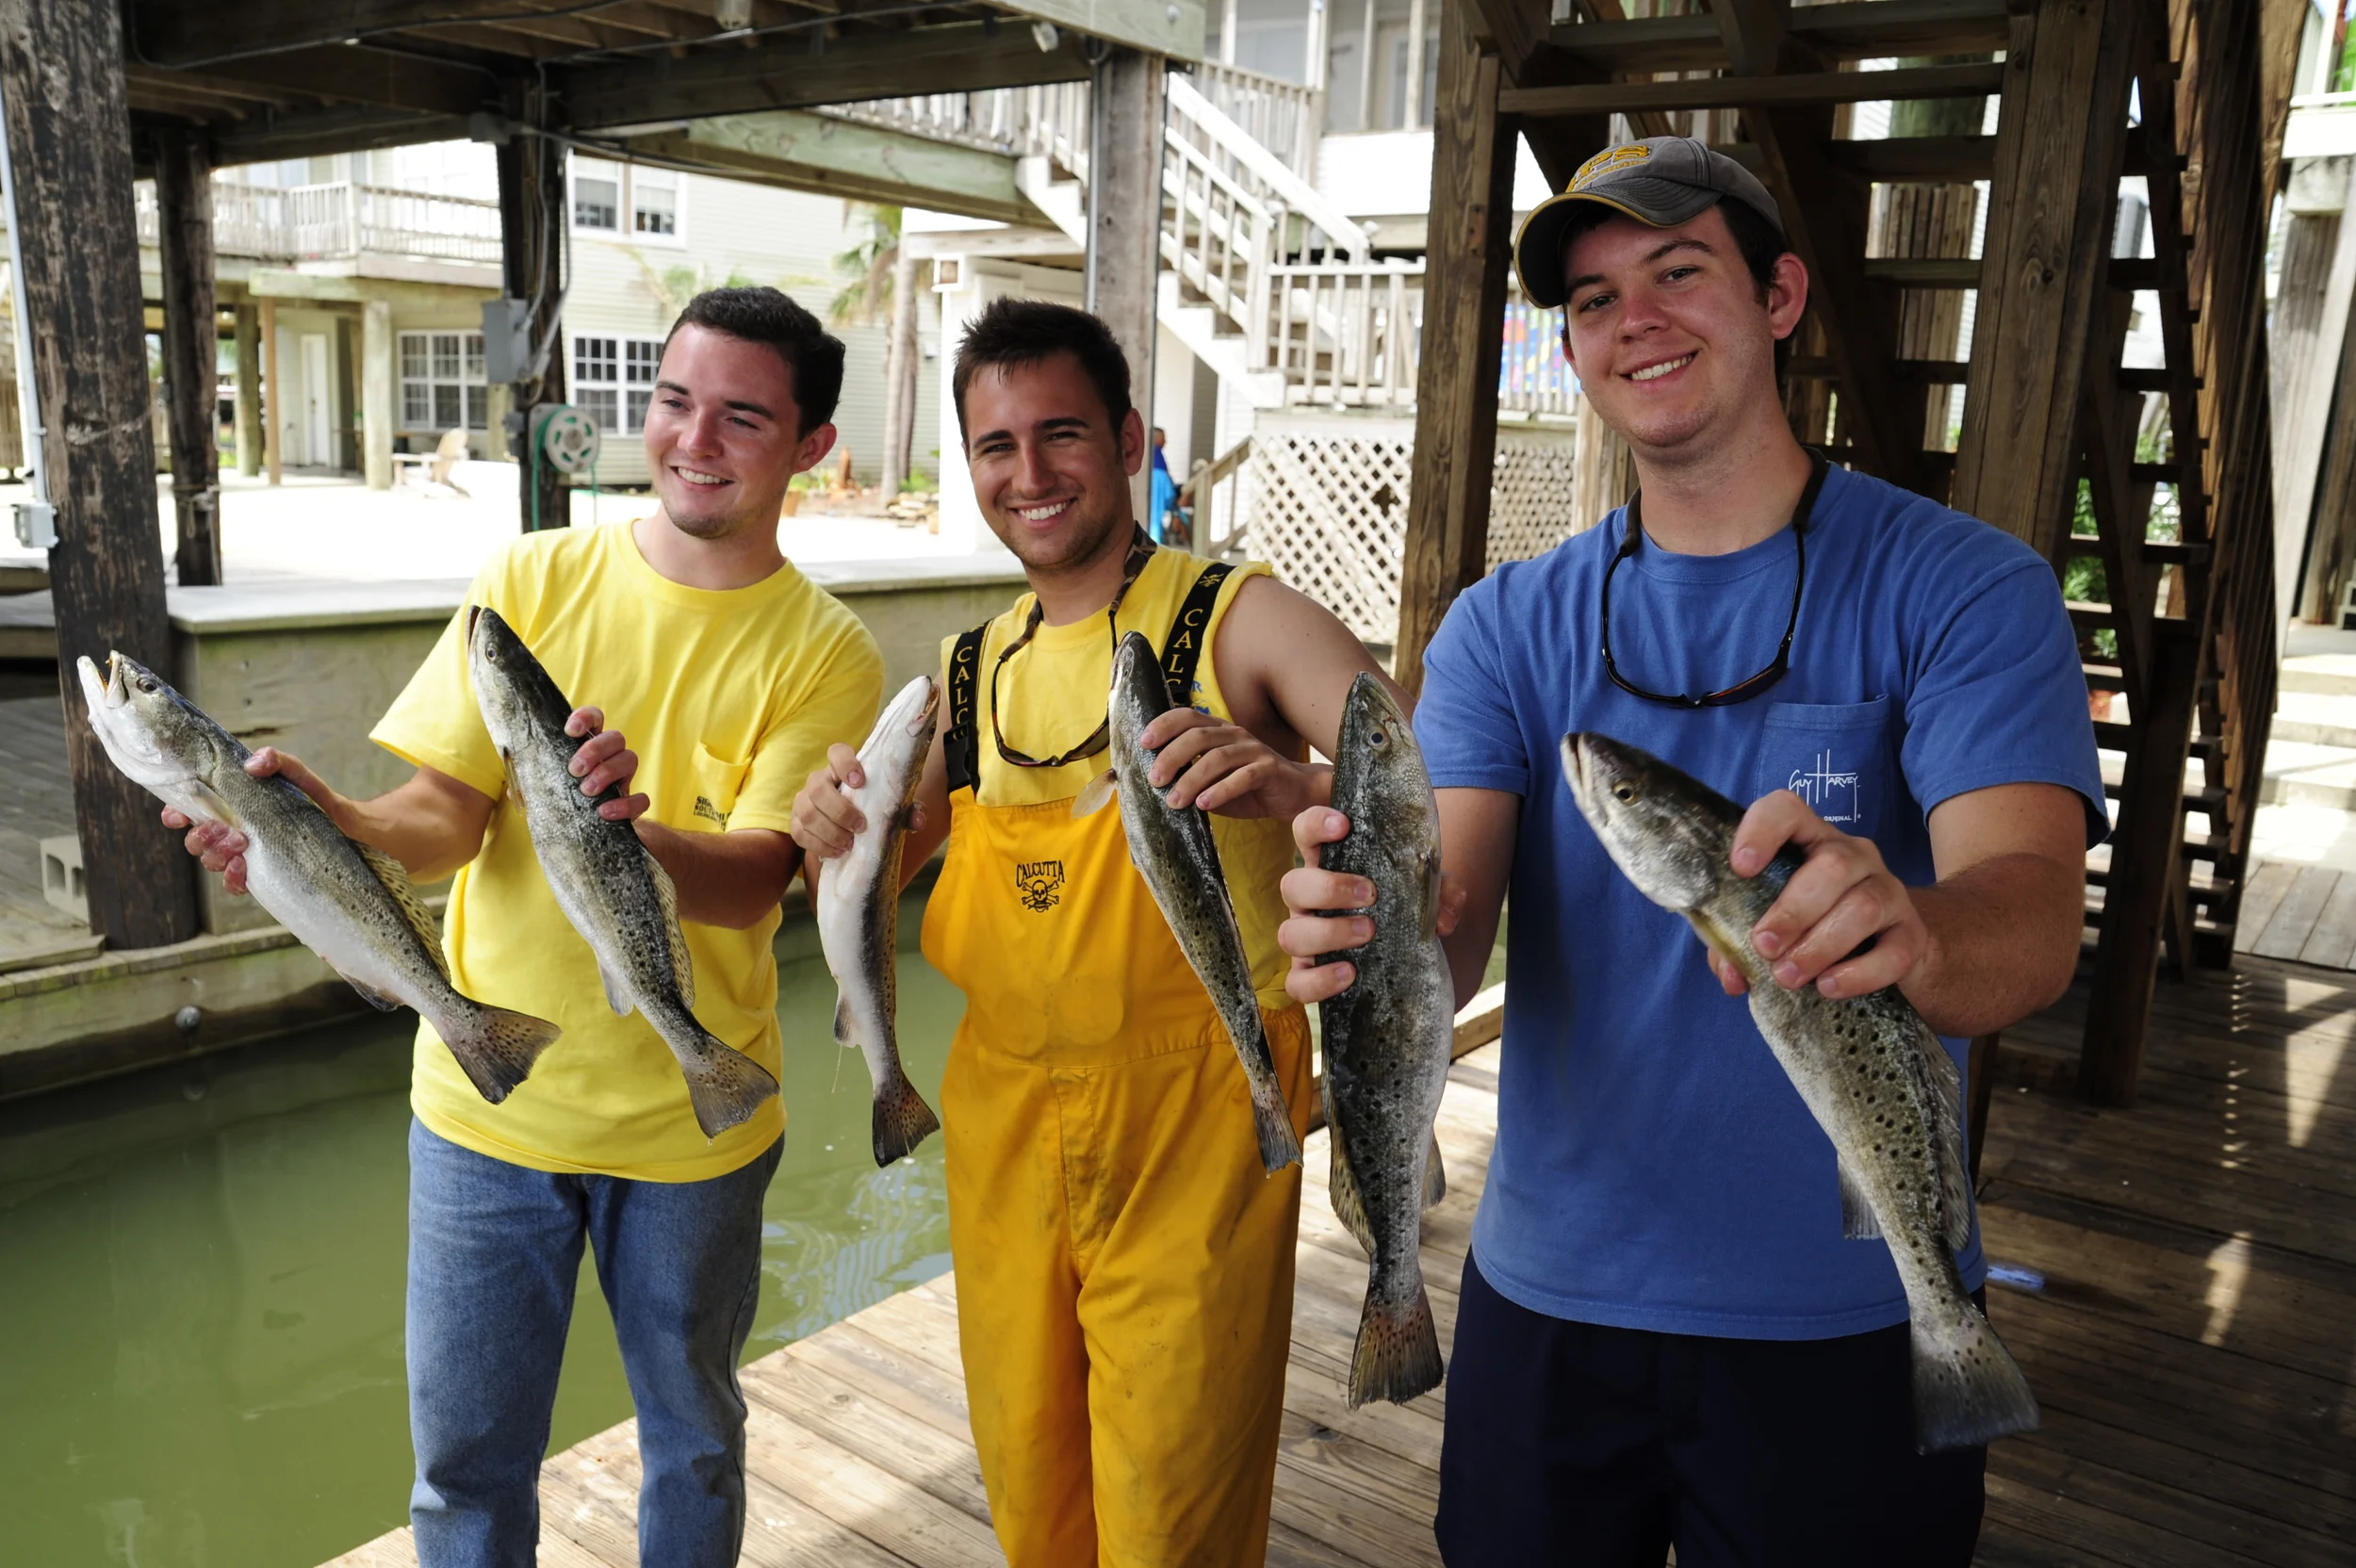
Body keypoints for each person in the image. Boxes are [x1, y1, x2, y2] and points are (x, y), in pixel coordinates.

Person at [1276, 137, 2105, 1566]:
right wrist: (1365, 926)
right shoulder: (1502, 626)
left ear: (1780, 296)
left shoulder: (1966, 589)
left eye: (1677, 272)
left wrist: (1917, 928)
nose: (1635, 322)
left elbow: (2031, 922)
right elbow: (1450, 926)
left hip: (1851, 1310)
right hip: (1549, 1297)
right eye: (1594, 300)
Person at [168, 287, 884, 1567]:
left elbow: (750, 884)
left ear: (812, 446)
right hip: (483, 1110)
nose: (694, 440)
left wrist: (626, 828)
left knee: (694, 1442)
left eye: (741, 417)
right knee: (464, 1470)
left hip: (694, 1126)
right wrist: (334, 822)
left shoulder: (827, 650)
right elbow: (445, 814)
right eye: (672, 401)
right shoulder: (530, 580)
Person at [789, 298, 1397, 1567]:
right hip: (1001, 1125)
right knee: (1032, 1485)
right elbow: (866, 880)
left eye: (1060, 433)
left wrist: (1295, 785)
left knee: (1174, 1503)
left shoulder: (1235, 619)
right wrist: (827, 832)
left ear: (1127, 439)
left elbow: (1432, 786)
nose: (1029, 472)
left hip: (1199, 1117)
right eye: (995, 446)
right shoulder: (968, 671)